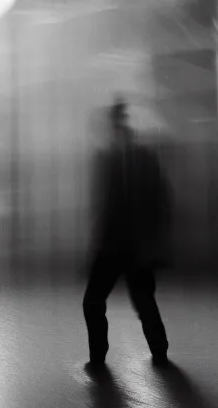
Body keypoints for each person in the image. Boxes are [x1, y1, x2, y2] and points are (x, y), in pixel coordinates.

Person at [83, 97, 171, 367]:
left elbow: (107, 203)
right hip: (131, 244)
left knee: (97, 301)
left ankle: (99, 356)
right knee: (142, 301)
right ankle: (158, 352)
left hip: (120, 244)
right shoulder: (137, 157)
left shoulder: (111, 158)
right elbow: (159, 199)